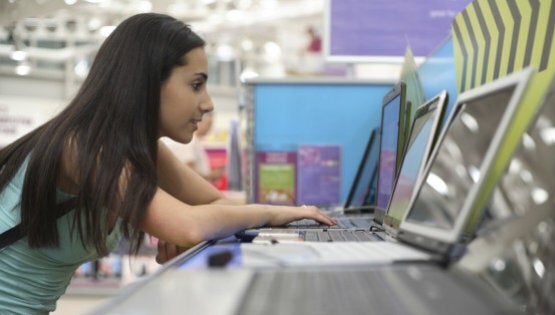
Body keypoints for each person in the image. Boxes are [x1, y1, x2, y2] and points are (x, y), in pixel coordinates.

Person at [0, 13, 335, 314]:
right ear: (147, 82)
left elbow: (213, 205)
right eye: (196, 84)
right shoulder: (85, 146)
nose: (208, 104)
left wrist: (198, 224)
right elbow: (189, 224)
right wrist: (272, 211)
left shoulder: (141, 150)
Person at [162, 111, 225, 183]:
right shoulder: (189, 141)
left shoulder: (195, 141)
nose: (209, 129)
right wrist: (211, 175)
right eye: (209, 125)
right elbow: (188, 172)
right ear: (199, 122)